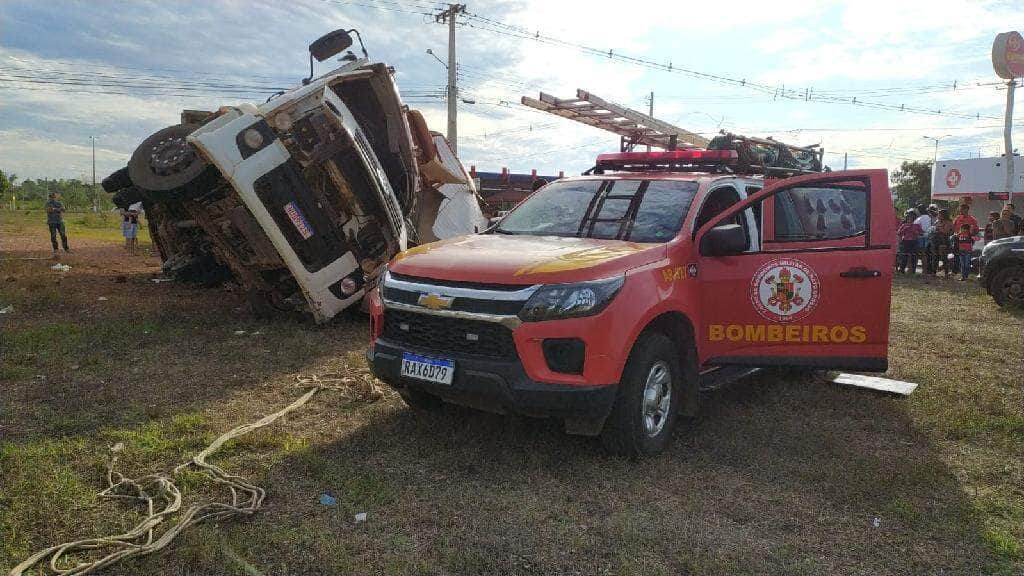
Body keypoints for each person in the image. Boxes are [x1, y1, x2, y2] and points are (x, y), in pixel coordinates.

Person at [896, 209, 922, 274]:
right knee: (904, 256)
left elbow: (920, 233)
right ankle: (902, 270)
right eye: (908, 217)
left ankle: (913, 271)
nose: (909, 218)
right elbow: (899, 233)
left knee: (914, 256)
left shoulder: (916, 225)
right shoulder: (903, 225)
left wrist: (914, 231)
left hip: (914, 241)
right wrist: (905, 229)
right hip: (905, 241)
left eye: (910, 217)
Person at [929, 208, 954, 276]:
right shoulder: (937, 221)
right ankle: (934, 272)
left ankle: (946, 272)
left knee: (943, 256)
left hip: (943, 240)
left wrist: (939, 229)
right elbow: (932, 228)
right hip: (935, 240)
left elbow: (947, 231)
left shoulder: (948, 222)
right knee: (935, 256)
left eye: (940, 214)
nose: (938, 215)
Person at [45, 191, 70, 256]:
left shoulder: (59, 203)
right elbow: (49, 210)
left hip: (59, 221)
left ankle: (66, 248)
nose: (52, 198)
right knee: (53, 236)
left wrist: (55, 209)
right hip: (51, 222)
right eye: (51, 197)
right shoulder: (48, 203)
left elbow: (64, 210)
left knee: (63, 235)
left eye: (54, 197)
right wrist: (58, 209)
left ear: (55, 197)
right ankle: (55, 249)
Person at [913, 204, 934, 272]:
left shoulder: (919, 219)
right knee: (924, 254)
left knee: (917, 253)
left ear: (919, 210)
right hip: (928, 237)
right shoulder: (930, 218)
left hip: (920, 237)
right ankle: (925, 270)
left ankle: (914, 269)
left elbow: (915, 228)